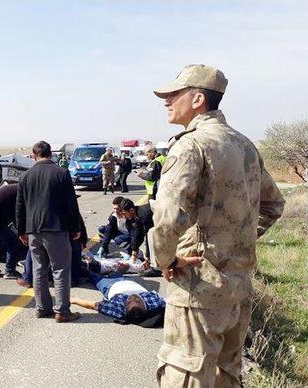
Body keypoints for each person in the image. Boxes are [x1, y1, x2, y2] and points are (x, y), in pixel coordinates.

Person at [148, 64, 285, 387]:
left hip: (198, 289)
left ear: (197, 99)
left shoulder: (190, 145)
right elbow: (274, 205)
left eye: (173, 95)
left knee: (186, 375)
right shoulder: (244, 145)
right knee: (227, 376)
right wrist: (238, 242)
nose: (166, 101)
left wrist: (166, 260)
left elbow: (168, 217)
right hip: (237, 288)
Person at [16, 140, 82, 323]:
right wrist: (75, 227)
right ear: (50, 154)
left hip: (33, 231)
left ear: (34, 155)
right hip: (56, 229)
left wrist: (21, 231)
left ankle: (42, 308)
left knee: (39, 270)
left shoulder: (25, 176)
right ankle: (62, 311)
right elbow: (71, 203)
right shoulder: (61, 173)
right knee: (60, 269)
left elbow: (20, 207)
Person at [71, 257, 164, 324]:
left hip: (109, 286)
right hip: (126, 281)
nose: (132, 297)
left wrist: (74, 300)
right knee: (117, 270)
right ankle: (115, 270)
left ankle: (80, 265)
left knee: (92, 275)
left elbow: (93, 305)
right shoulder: (154, 303)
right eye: (137, 300)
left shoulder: (117, 309)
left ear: (125, 309)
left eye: (128, 302)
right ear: (145, 306)